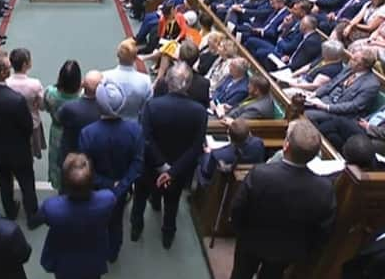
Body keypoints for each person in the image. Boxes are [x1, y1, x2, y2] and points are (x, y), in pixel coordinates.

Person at [226, 120, 337, 279]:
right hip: (286, 251)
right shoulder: (324, 190)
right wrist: (303, 252)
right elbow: (322, 231)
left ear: (286, 146)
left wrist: (239, 230)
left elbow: (238, 207)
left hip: (251, 240)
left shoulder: (261, 174)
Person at [131, 62, 207, 249]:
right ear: (188, 85)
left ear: (168, 82)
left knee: (140, 197)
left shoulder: (152, 106)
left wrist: (161, 166)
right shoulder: (199, 112)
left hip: (150, 166)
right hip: (178, 170)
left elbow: (146, 139)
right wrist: (172, 171)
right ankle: (167, 235)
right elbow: (196, 147)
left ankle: (136, 228)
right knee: (172, 202)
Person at [79, 78, 143, 263]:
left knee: (94, 219)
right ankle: (112, 253)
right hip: (121, 190)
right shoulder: (135, 131)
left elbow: (85, 166)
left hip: (96, 188)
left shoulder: (88, 133)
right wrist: (121, 185)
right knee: (116, 223)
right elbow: (137, 164)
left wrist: (106, 183)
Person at [33, 153, 116, 279]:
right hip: (92, 262)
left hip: (64, 265)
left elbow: (35, 221)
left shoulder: (52, 207)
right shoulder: (107, 200)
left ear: (65, 183)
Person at [0, 51, 38, 225]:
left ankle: (10, 211)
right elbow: (27, 127)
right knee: (26, 181)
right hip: (18, 149)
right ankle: (32, 215)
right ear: (3, 72)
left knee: (4, 180)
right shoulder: (16, 100)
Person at [44, 60, 82, 191]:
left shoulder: (50, 93)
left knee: (58, 162)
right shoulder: (82, 97)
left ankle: (60, 187)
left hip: (57, 133)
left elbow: (45, 107)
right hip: (77, 134)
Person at [197, 119, 265, 186]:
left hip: (222, 185)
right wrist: (236, 127)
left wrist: (207, 153)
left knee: (201, 159)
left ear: (230, 138)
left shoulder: (218, 155)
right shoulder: (259, 143)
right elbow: (250, 137)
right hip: (252, 181)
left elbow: (207, 172)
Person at [6, 48, 46, 159]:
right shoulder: (35, 84)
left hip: (12, 124)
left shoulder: (6, 83)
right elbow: (42, 106)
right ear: (25, 65)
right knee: (29, 152)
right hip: (31, 123)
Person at [102, 38, 152, 120]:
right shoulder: (145, 81)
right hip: (134, 126)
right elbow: (146, 109)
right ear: (135, 58)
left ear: (117, 55)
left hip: (109, 124)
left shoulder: (105, 77)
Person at [57, 70, 103, 156]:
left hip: (72, 155)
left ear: (82, 85)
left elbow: (60, 120)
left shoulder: (69, 107)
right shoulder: (104, 110)